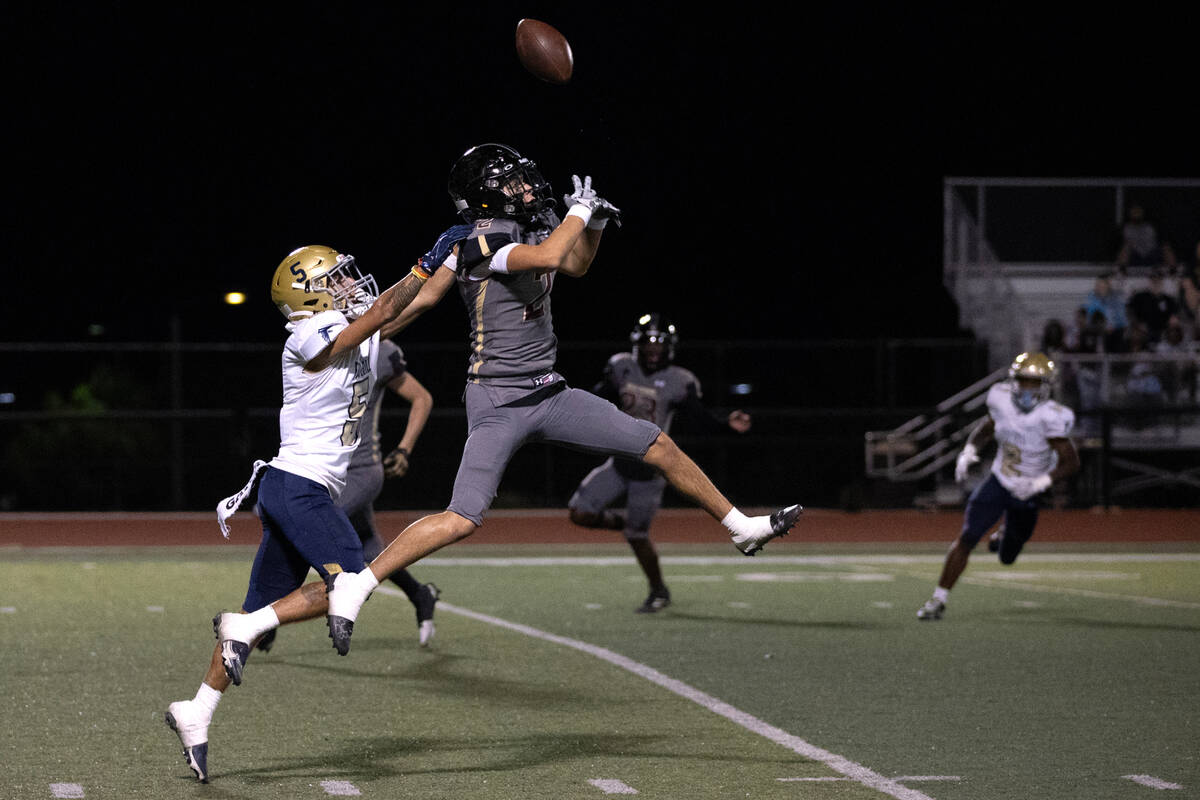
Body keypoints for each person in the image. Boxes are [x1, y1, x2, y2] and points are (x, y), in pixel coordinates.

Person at [209, 143, 803, 675]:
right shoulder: (486, 238)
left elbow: (573, 263)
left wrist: (591, 225)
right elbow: (545, 257)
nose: (527, 187)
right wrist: (577, 213)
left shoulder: (517, 231)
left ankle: (739, 526)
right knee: (464, 518)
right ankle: (359, 583)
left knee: (656, 442)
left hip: (550, 390)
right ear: (490, 195)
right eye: (514, 181)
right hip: (498, 399)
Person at [164, 239, 454, 783]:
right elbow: (387, 306)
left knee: (248, 630)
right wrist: (424, 258)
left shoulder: (360, 331)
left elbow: (422, 299)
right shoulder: (307, 334)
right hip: (298, 488)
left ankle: (196, 710)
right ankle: (248, 624)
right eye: (335, 279)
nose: (348, 284)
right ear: (308, 294)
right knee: (353, 582)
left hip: (293, 491)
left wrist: (462, 250)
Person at [254, 336, 440, 655]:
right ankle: (420, 593)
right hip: (325, 470)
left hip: (359, 471)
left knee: (304, 530)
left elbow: (421, 398)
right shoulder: (319, 342)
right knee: (369, 550)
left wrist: (404, 448)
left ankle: (264, 619)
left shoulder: (380, 351)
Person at [567, 313, 753, 613]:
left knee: (638, 539)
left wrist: (725, 425)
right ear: (637, 344)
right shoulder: (621, 366)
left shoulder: (680, 380)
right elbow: (597, 398)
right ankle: (625, 523)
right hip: (619, 463)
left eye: (659, 344)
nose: (654, 349)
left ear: (670, 348)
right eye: (648, 343)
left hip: (650, 472)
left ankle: (658, 590)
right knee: (579, 513)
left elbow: (698, 417)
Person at [916, 352, 1080, 621]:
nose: (1027, 389)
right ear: (1014, 381)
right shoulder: (1000, 399)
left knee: (1007, 556)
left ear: (1046, 386)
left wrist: (1040, 482)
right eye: (1023, 381)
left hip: (1028, 489)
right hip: (999, 481)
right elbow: (987, 427)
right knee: (967, 537)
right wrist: (969, 451)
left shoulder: (1052, 416)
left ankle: (1003, 536)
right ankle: (938, 599)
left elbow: (1071, 462)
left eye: (1034, 383)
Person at [1127, 268, 1180, 343]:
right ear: (1149, 281)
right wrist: (1137, 324)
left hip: (1164, 333)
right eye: (1153, 280)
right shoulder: (1139, 297)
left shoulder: (1168, 299)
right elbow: (1130, 311)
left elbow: (1174, 317)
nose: (1156, 282)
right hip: (1142, 331)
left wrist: (1171, 323)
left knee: (1173, 335)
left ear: (1162, 282)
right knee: (1136, 336)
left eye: (1158, 280)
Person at [1115, 204, 1176, 269]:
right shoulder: (1126, 228)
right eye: (1134, 212)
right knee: (1126, 248)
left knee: (1166, 247)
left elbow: (1154, 242)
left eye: (1138, 212)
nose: (1136, 214)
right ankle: (1121, 271)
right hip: (1135, 256)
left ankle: (1173, 270)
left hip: (1151, 254)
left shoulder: (1150, 226)